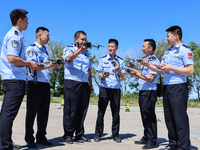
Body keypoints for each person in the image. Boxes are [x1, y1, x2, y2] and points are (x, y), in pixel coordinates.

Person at [142, 26, 194, 150]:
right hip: (167, 87)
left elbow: (190, 70)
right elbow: (160, 70)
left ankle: (183, 146)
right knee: (169, 117)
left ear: (176, 36)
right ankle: (173, 144)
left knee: (179, 117)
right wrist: (148, 65)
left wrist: (171, 68)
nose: (166, 38)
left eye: (168, 36)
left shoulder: (184, 50)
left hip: (178, 87)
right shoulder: (167, 52)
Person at [0, 9, 38, 150]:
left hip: (12, 78)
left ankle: (5, 142)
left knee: (5, 113)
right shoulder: (15, 36)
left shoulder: (15, 35)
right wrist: (28, 63)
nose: (28, 22)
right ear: (20, 20)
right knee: (8, 114)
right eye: (26, 19)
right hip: (14, 79)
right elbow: (12, 58)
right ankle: (5, 145)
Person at [24, 27, 58, 148]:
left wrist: (52, 65)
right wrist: (49, 66)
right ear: (40, 35)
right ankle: (29, 138)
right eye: (47, 36)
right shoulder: (31, 49)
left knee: (44, 113)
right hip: (35, 84)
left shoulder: (46, 50)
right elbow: (34, 66)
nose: (48, 38)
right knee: (32, 112)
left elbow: (45, 66)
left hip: (45, 84)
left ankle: (41, 136)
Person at [62, 31, 94, 144]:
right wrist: (81, 49)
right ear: (76, 39)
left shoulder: (86, 54)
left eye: (85, 39)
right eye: (82, 39)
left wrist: (91, 84)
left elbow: (89, 70)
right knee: (71, 109)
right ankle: (68, 134)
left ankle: (79, 134)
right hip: (72, 82)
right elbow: (68, 59)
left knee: (82, 110)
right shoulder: (69, 48)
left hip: (84, 83)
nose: (84, 41)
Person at [127, 39, 160, 149]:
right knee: (144, 116)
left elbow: (150, 78)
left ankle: (152, 140)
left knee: (149, 116)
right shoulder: (146, 60)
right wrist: (133, 72)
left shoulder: (154, 60)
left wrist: (136, 73)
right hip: (143, 91)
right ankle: (146, 137)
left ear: (150, 48)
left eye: (143, 46)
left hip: (150, 91)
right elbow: (143, 74)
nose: (142, 48)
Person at [94, 39, 125, 143]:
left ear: (117, 48)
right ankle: (98, 134)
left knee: (116, 113)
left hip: (115, 89)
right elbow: (98, 73)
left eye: (112, 46)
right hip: (104, 88)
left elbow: (123, 77)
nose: (110, 48)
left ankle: (115, 135)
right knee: (101, 112)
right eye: (109, 46)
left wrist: (118, 70)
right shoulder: (103, 59)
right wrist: (102, 75)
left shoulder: (121, 61)